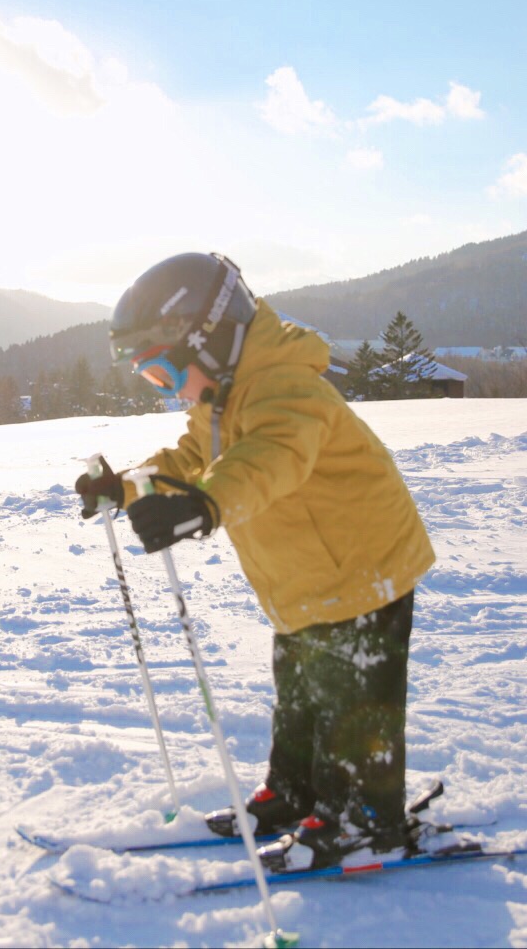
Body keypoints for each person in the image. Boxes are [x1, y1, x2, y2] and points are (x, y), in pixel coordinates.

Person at [74, 252, 436, 873]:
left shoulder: (285, 386)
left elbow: (270, 458)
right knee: (299, 694)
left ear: (207, 341)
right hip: (306, 580)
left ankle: (365, 820)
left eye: (163, 373)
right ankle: (294, 794)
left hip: (362, 569)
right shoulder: (220, 398)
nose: (165, 390)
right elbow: (193, 459)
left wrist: (208, 503)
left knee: (354, 702)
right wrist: (127, 486)